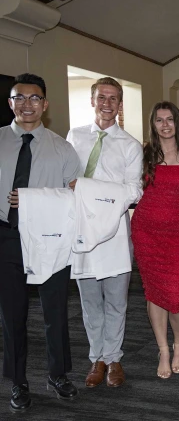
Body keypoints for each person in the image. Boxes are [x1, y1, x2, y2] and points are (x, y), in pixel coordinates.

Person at [0, 73, 81, 412]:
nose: (27, 104)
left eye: (34, 98)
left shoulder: (62, 147)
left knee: (55, 312)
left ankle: (58, 373)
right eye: (20, 98)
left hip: (50, 239)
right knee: (12, 315)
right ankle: (18, 380)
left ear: (45, 105)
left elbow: (75, 195)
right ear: (10, 103)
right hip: (6, 237)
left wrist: (35, 200)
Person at [67, 77, 143, 388]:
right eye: (102, 97)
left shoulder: (130, 145)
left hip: (113, 232)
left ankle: (113, 358)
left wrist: (89, 189)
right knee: (90, 302)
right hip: (82, 228)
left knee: (115, 300)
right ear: (93, 101)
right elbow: (66, 179)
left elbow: (134, 191)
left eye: (113, 98)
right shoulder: (75, 136)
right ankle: (95, 357)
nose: (107, 104)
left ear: (120, 104)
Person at [131, 101, 179, 379]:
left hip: (177, 234)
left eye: (170, 119)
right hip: (146, 231)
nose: (165, 125)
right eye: (159, 120)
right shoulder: (143, 154)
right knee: (155, 293)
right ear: (153, 124)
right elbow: (128, 186)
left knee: (176, 295)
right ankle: (163, 349)